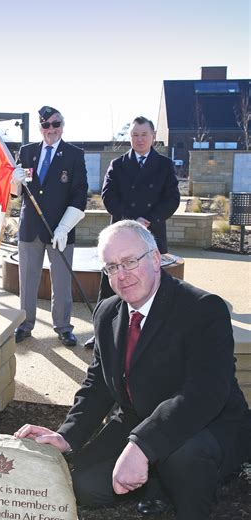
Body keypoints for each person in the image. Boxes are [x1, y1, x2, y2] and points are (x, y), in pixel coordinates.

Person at [15, 220, 251, 520]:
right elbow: (97, 384)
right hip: (139, 414)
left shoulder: (203, 309)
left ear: (156, 258)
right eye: (111, 267)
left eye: (130, 262)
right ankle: (158, 484)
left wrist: (141, 446)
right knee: (86, 485)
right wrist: (67, 435)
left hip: (207, 425)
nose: (121, 275)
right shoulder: (109, 311)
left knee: (181, 453)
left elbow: (204, 393)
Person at [84, 116, 180, 348]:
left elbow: (172, 198)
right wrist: (131, 221)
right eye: (135, 135)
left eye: (144, 135)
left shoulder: (165, 165)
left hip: (152, 232)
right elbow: (108, 196)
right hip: (120, 235)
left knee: (152, 286)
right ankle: (100, 334)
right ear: (130, 138)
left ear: (153, 137)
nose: (139, 139)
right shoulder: (118, 164)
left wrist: (147, 220)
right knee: (110, 285)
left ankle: (152, 336)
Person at [11, 106, 88, 347]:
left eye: (55, 124)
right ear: (40, 128)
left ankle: (64, 327)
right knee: (27, 280)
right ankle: (25, 323)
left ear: (62, 126)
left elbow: (79, 195)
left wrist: (64, 227)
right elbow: (16, 194)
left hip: (60, 230)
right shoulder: (27, 151)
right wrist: (14, 181)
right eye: (46, 125)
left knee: (62, 281)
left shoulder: (74, 154)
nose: (51, 130)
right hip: (31, 228)